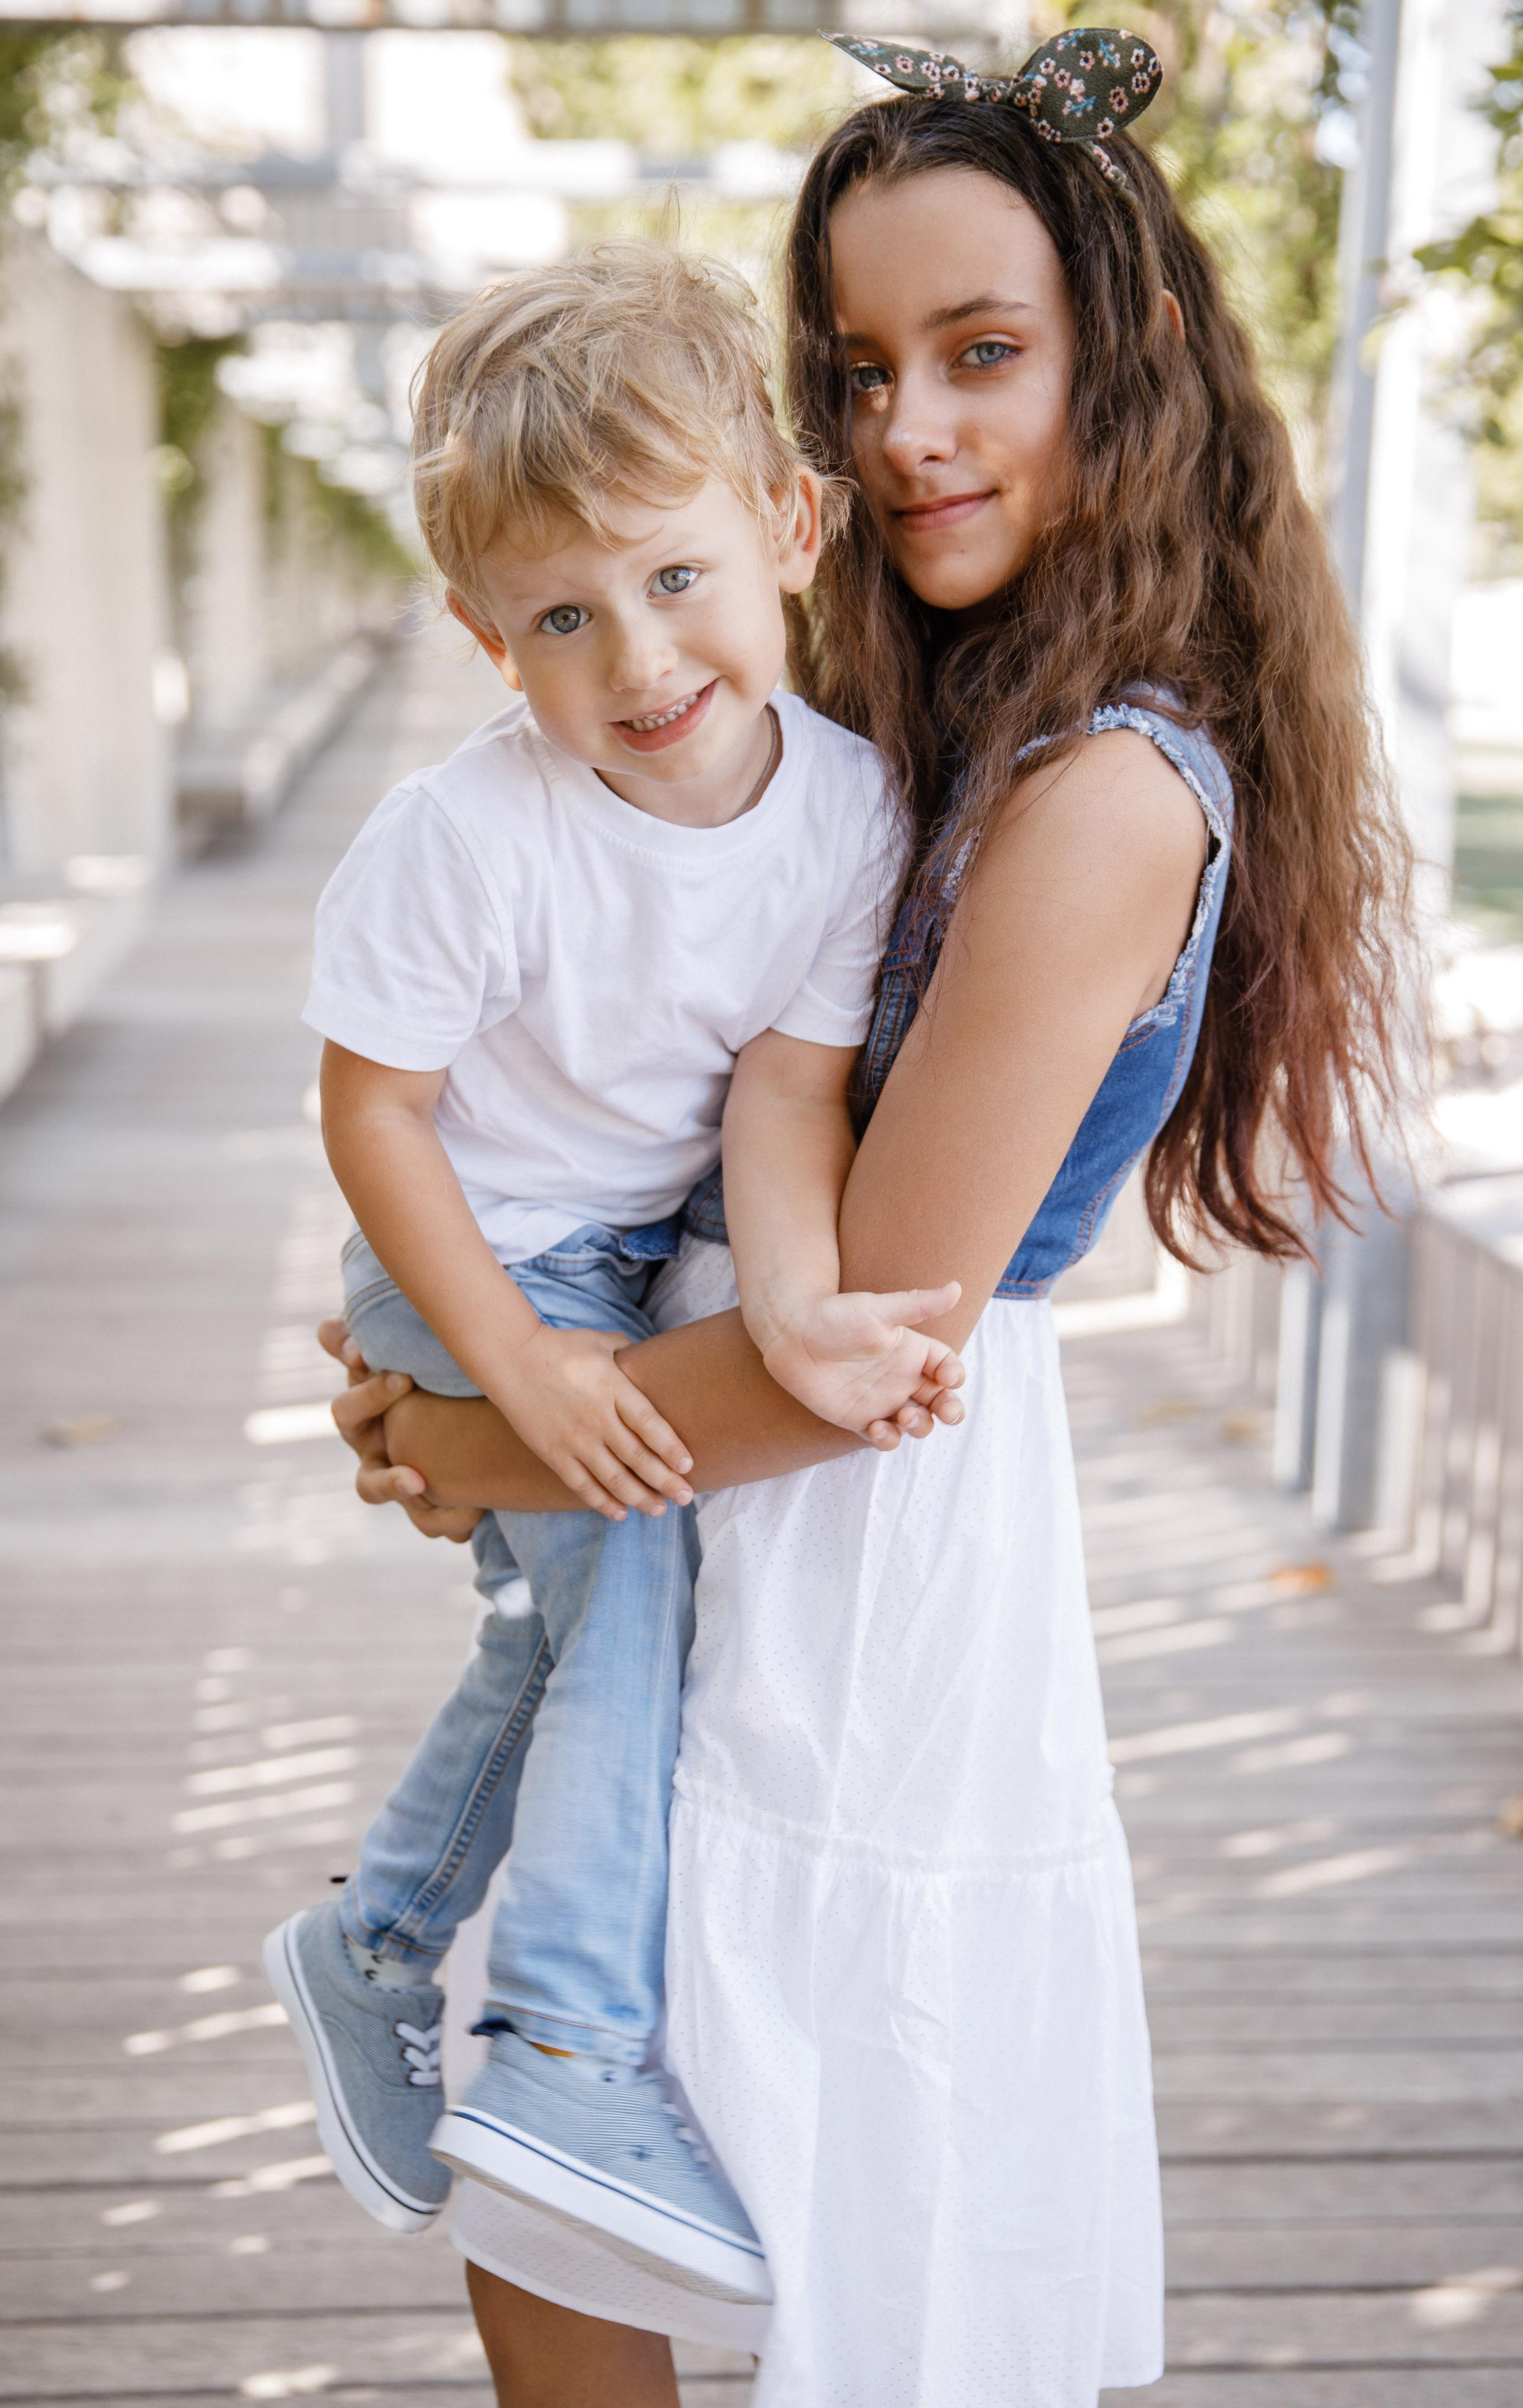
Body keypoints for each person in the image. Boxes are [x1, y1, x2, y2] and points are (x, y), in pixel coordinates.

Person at [327, 27, 1412, 2406]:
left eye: (982, 352)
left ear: (1127, 363)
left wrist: (473, 1440)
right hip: (708, 1451)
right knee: (575, 2190)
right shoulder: (931, 723)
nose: (909, 425)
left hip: (843, 1510)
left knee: (706, 2204)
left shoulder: (1110, 789)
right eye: (856, 369)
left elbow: (885, 1322)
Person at [263, 244, 965, 2303]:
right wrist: (526, 1372)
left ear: (792, 528)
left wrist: (798, 1306)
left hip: (634, 1253)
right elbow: (377, 1118)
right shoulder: (467, 836)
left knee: (569, 1628)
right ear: (488, 640)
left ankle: (378, 1944)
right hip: (472, 1254)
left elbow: (786, 1090)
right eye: (564, 618)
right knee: (630, 1580)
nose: (640, 658)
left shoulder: (850, 812)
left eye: (674, 578)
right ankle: (569, 2045)